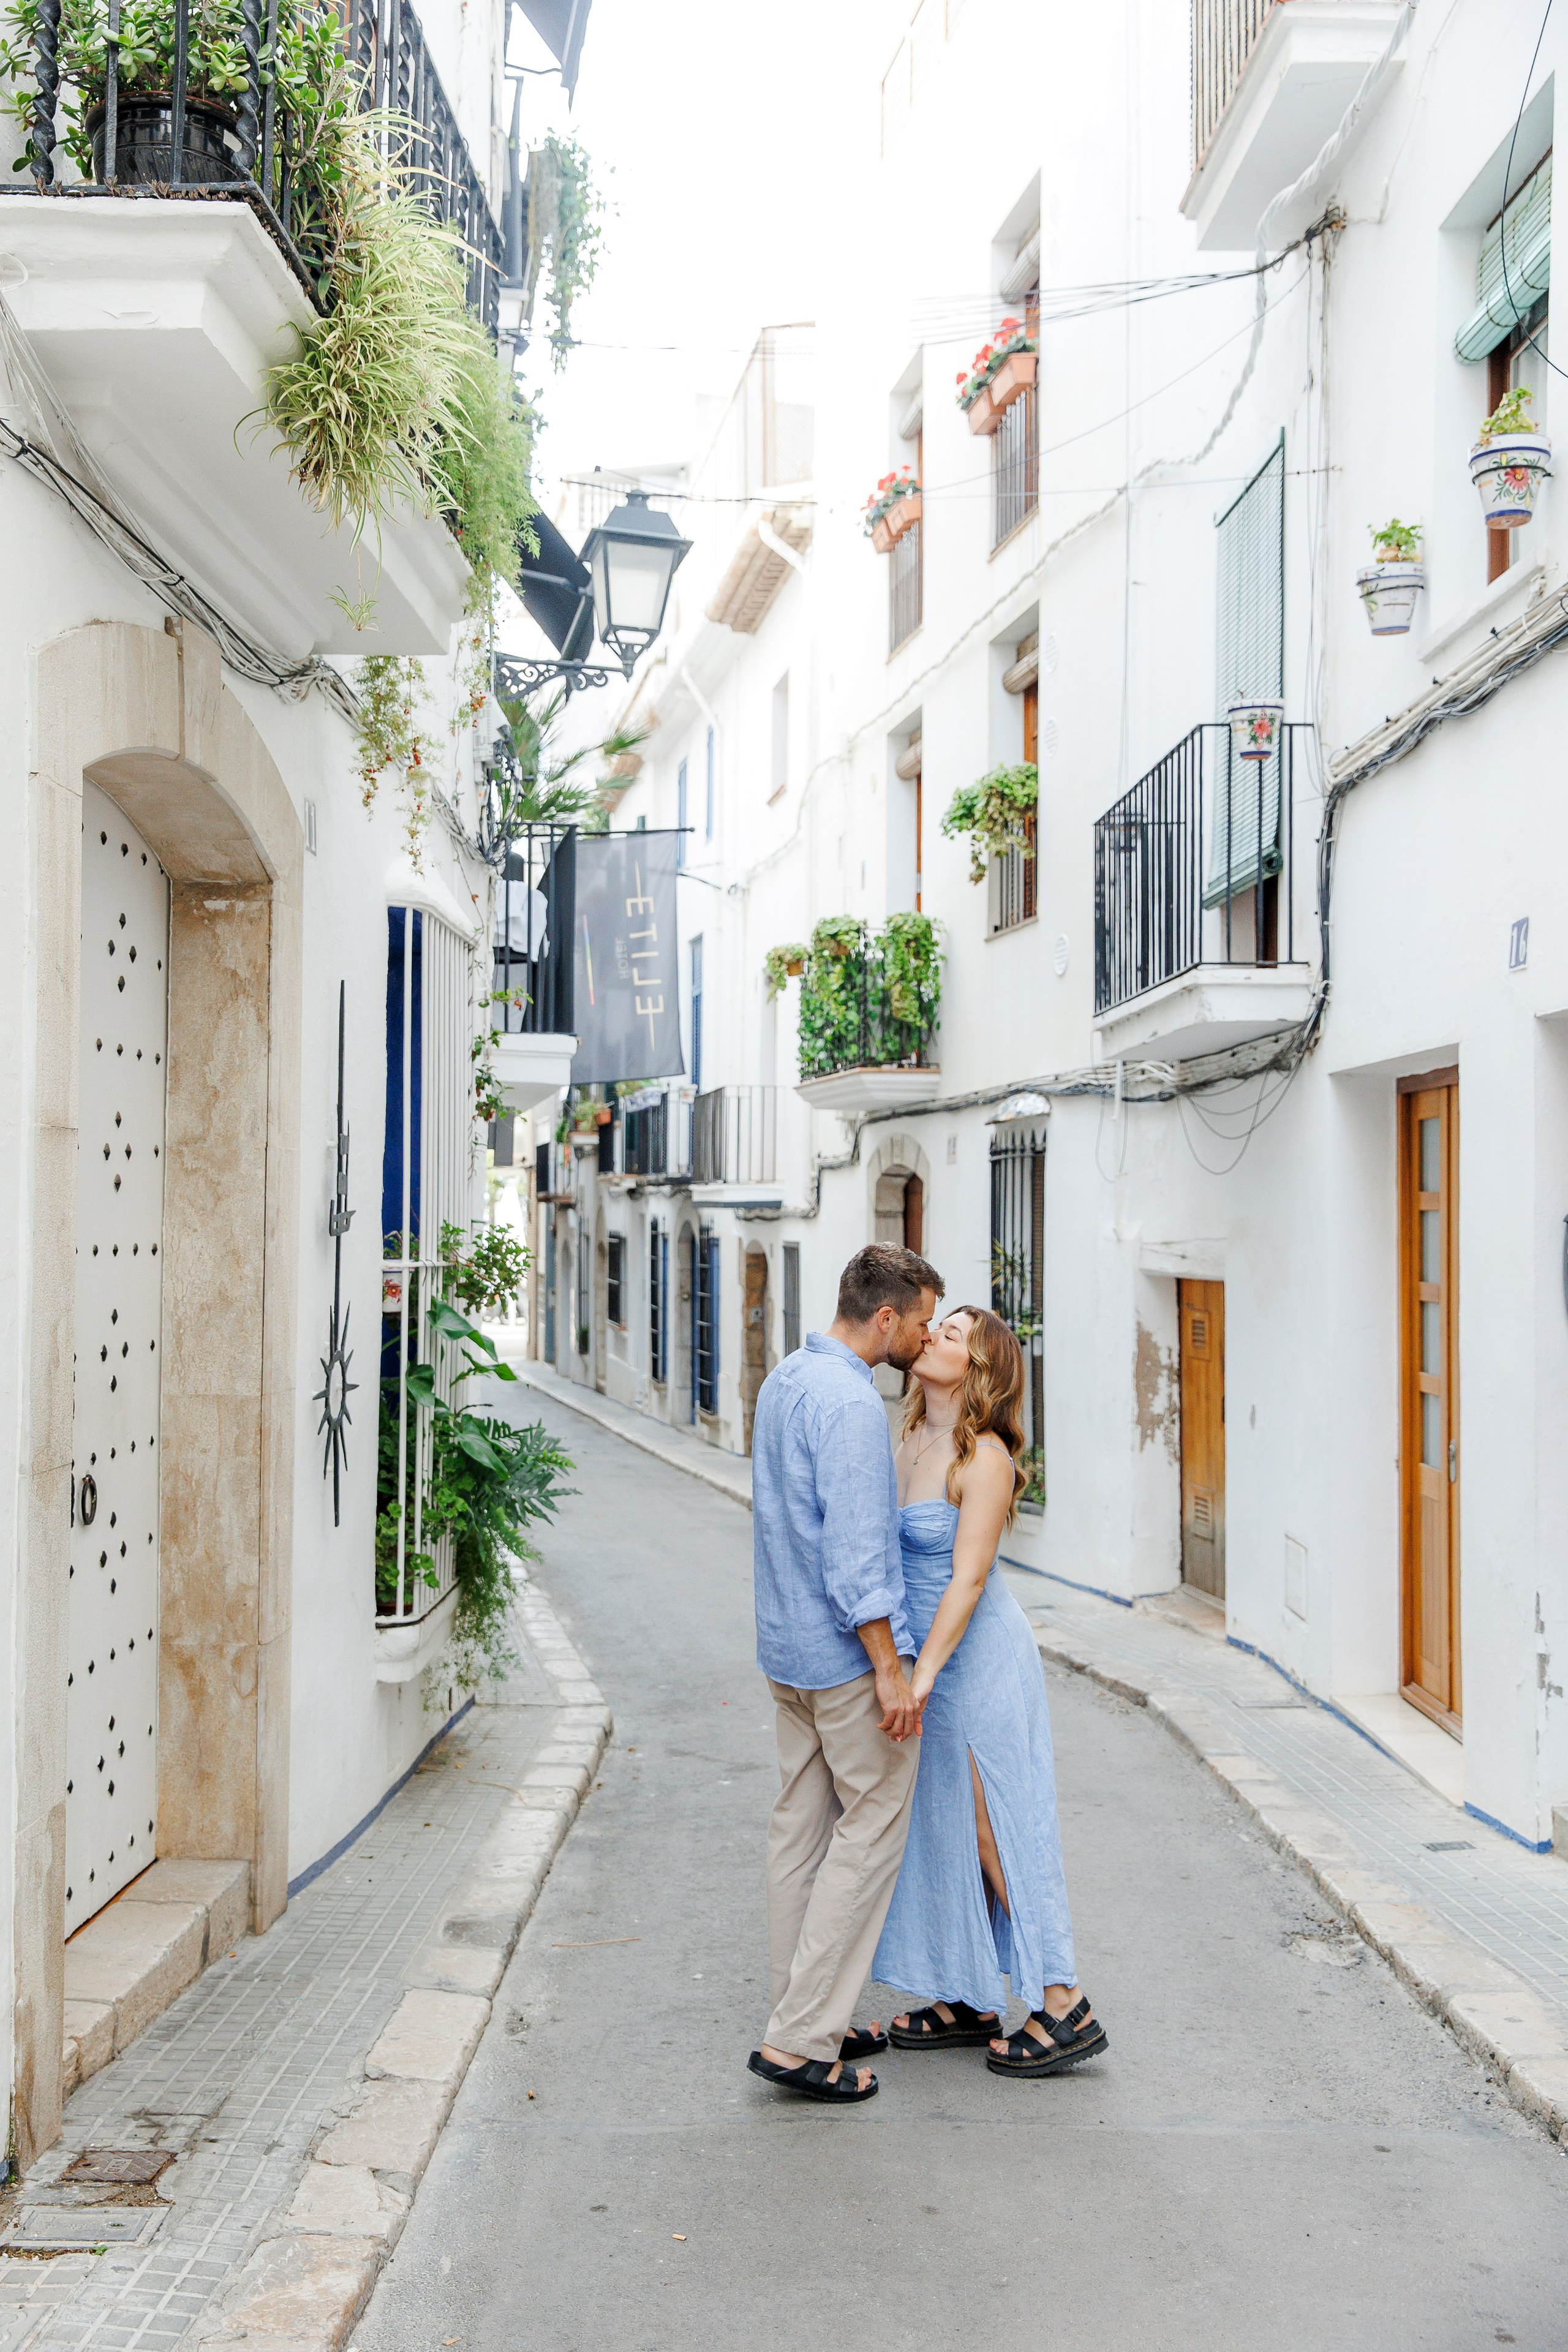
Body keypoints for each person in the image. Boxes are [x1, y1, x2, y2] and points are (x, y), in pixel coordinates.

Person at [874, 1305, 1107, 2079]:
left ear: (978, 1368)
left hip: (976, 1661)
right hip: (926, 1660)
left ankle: (1063, 2001)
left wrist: (922, 1677)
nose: (932, 1335)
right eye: (936, 1325)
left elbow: (967, 1581)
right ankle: (967, 1995)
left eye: (952, 1334)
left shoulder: (987, 1457)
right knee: (942, 1823)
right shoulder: (909, 1435)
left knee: (991, 1826)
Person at [746, 1243, 944, 2105]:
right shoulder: (854, 1405)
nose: (927, 1337)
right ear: (887, 1317)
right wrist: (889, 1671)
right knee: (870, 1831)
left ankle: (800, 2011)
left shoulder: (785, 1379)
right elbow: (858, 1559)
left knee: (801, 1831)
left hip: (785, 1653)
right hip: (843, 1663)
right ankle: (800, 2039)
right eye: (923, 1322)